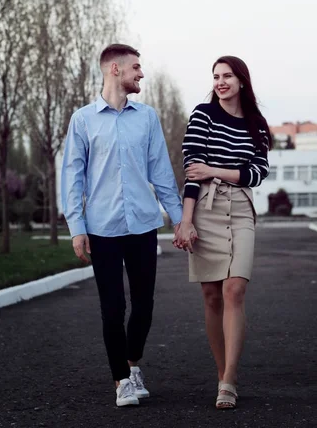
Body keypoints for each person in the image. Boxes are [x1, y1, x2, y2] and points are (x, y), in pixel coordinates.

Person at [61, 43, 182, 407]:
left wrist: (179, 219)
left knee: (144, 303)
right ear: (115, 69)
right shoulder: (83, 120)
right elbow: (72, 176)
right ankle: (121, 381)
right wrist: (76, 227)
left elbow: (161, 172)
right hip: (102, 228)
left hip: (143, 225)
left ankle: (132, 366)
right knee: (112, 307)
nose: (141, 74)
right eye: (136, 68)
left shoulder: (146, 118)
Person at [174, 55, 272, 410]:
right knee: (212, 296)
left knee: (235, 288)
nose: (220, 82)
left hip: (241, 208)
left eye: (227, 75)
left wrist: (216, 168)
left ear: (241, 81)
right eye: (215, 76)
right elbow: (191, 170)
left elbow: (258, 173)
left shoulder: (257, 124)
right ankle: (221, 373)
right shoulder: (203, 114)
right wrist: (186, 221)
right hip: (205, 208)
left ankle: (229, 379)